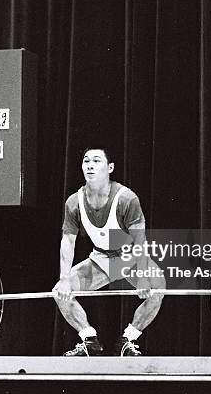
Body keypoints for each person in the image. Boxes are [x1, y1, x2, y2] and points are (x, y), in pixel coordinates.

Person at [53, 147, 166, 356]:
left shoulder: (126, 199)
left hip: (129, 257)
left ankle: (128, 340)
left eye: (96, 161)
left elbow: (139, 240)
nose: (90, 165)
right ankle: (89, 341)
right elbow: (68, 241)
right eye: (86, 161)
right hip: (100, 258)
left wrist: (142, 276)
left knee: (157, 289)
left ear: (110, 168)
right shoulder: (74, 202)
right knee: (59, 293)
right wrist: (64, 278)